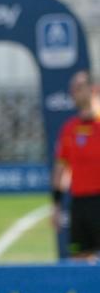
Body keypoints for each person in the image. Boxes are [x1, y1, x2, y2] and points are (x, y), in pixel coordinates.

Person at [53, 70, 100, 259]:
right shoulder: (69, 128)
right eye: (72, 88)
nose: (73, 92)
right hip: (79, 204)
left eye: (79, 87)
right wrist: (56, 205)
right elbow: (62, 169)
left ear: (94, 89)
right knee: (80, 260)